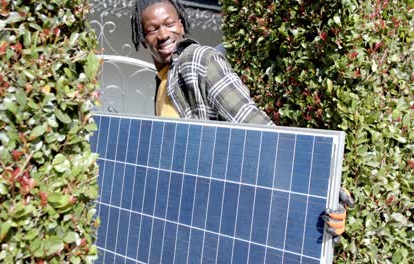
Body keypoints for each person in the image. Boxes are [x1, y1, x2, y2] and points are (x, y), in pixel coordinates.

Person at [130, 0, 353, 241]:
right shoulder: (164, 80)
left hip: (221, 210)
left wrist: (320, 189)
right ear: (143, 38)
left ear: (181, 26)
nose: (163, 34)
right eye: (153, 29)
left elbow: (255, 124)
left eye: (169, 24)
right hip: (193, 213)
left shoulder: (198, 60)